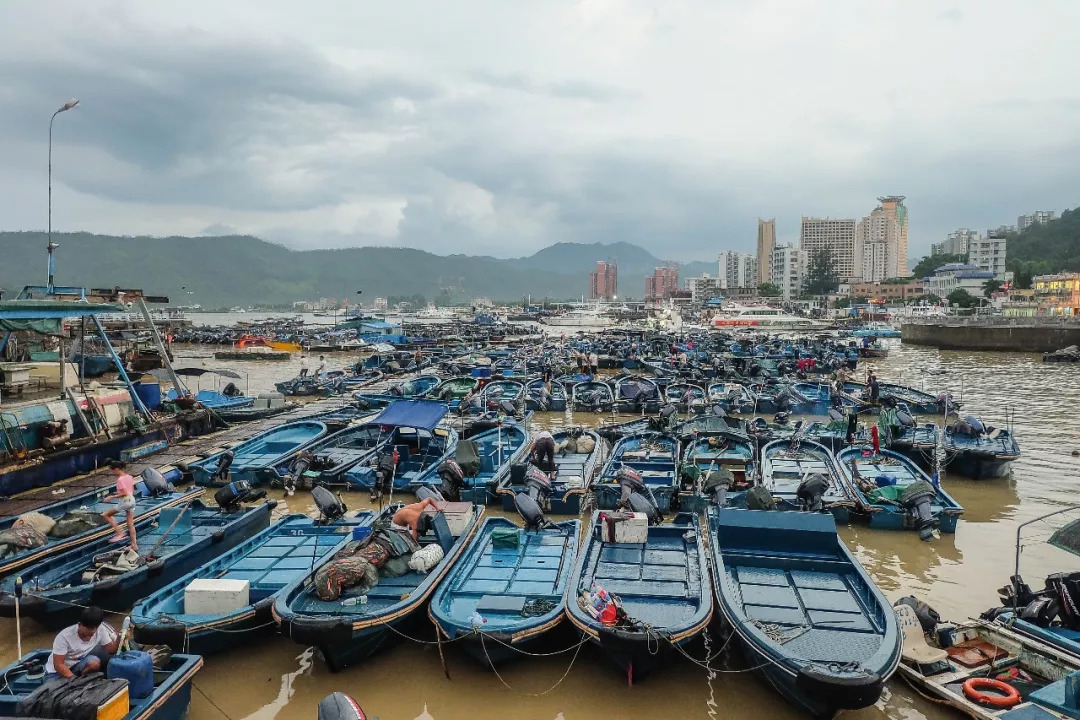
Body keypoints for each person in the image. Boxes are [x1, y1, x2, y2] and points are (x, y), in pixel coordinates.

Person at [47, 606, 120, 678]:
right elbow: (58, 665)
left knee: (94, 663)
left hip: (77, 665)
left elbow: (111, 650)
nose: (93, 631)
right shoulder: (64, 637)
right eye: (89, 628)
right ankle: (79, 680)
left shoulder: (101, 629)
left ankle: (83, 678)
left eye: (95, 628)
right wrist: (75, 681)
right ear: (80, 625)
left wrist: (120, 637)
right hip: (56, 673)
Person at [103, 461, 137, 551]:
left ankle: (120, 533)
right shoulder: (129, 477)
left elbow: (124, 493)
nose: (112, 473)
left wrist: (112, 496)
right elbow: (131, 490)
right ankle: (134, 545)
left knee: (106, 515)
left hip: (125, 501)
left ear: (117, 469)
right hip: (132, 500)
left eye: (113, 471)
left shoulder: (120, 479)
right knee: (130, 524)